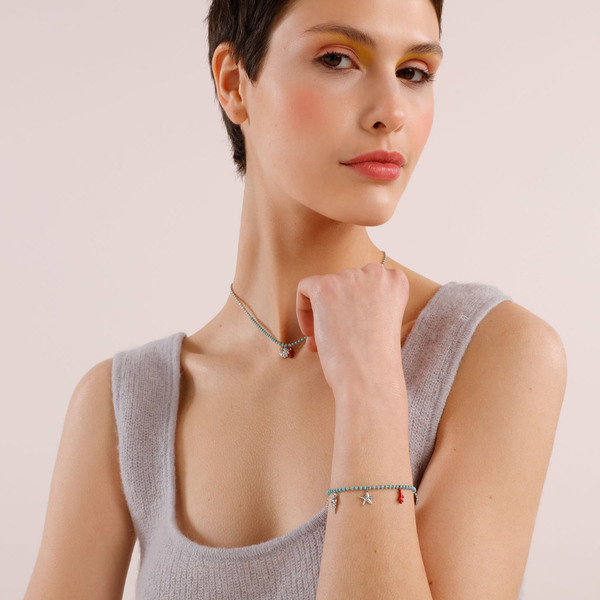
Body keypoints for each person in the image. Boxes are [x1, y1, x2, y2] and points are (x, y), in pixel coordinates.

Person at [24, 0, 567, 598]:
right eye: (337, 59)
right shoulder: (125, 406)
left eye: (414, 72)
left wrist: (371, 391)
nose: (391, 112)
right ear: (235, 84)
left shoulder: (495, 354)